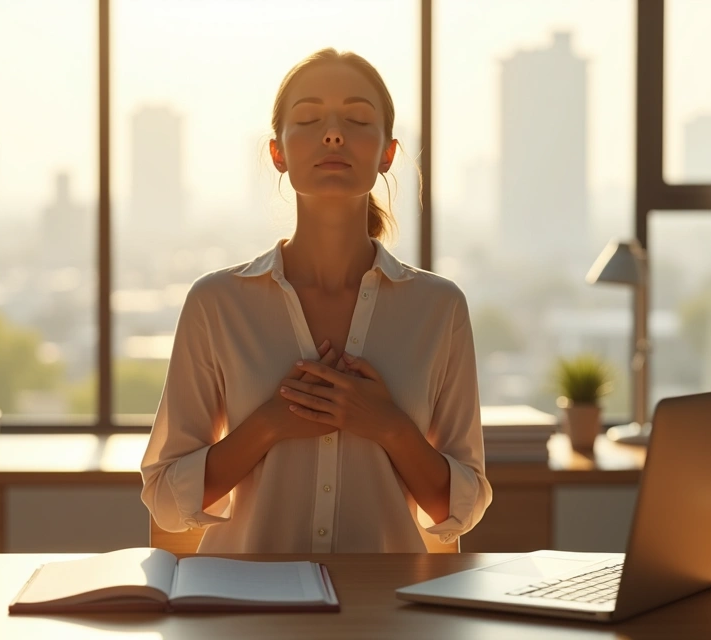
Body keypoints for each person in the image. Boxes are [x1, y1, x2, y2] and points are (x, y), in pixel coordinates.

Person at [140, 48, 490, 553]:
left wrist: (389, 426)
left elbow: (462, 509)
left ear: (387, 154)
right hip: (244, 598)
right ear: (277, 154)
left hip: (385, 600)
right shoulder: (215, 303)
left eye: (357, 120)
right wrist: (269, 425)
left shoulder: (439, 308)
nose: (333, 134)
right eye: (308, 119)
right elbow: (165, 501)